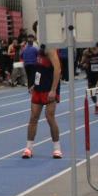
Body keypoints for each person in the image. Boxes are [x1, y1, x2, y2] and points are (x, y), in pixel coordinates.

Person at [23, 29, 63, 159]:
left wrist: (53, 90)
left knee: (50, 116)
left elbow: (58, 70)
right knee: (33, 117)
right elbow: (39, 69)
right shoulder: (40, 47)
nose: (36, 34)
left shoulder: (50, 48)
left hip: (49, 88)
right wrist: (34, 84)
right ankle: (28, 148)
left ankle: (57, 148)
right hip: (39, 87)